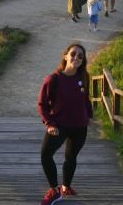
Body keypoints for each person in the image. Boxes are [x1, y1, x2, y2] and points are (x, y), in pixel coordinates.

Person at [37, 42, 94, 205]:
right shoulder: (53, 79)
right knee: (45, 155)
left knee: (71, 157)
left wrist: (89, 115)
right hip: (58, 126)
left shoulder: (84, 77)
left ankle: (66, 186)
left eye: (80, 56)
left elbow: (85, 98)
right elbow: (42, 105)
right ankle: (54, 190)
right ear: (65, 56)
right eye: (73, 54)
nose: (76, 57)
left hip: (79, 127)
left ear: (83, 61)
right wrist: (49, 124)